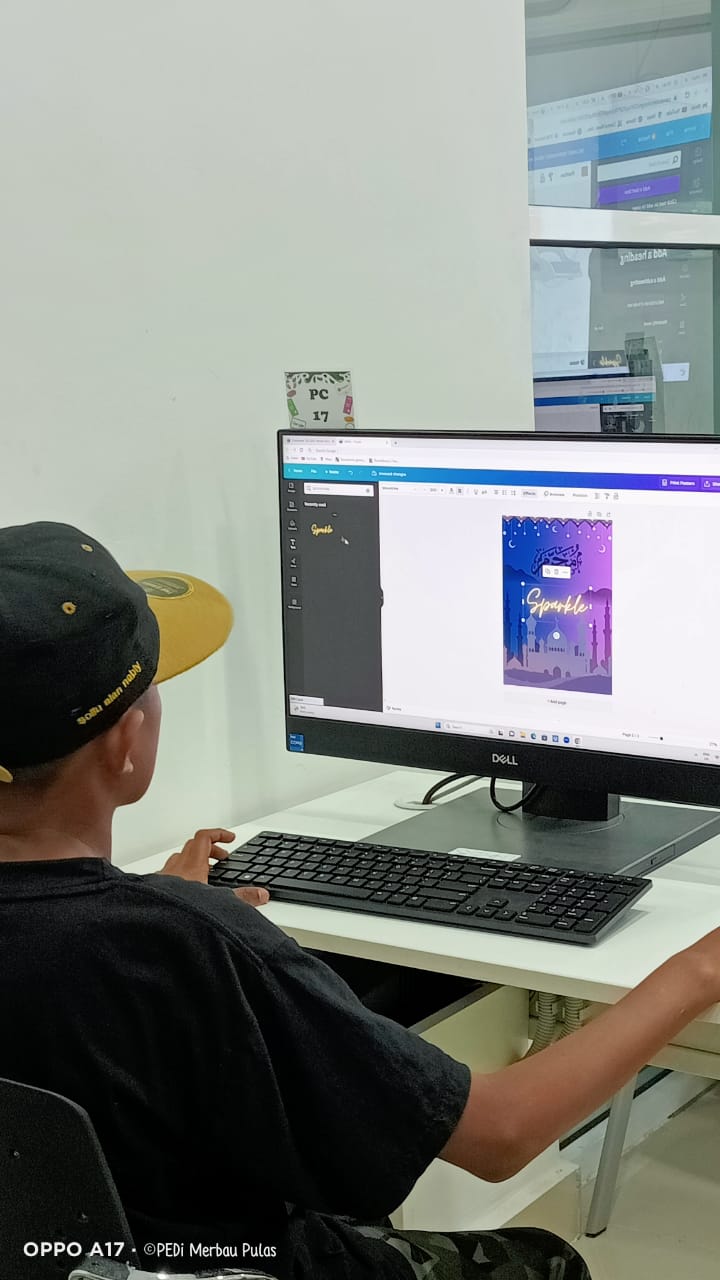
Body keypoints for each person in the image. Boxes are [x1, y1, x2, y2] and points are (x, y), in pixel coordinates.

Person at [1, 525, 719, 1280]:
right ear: (126, 744)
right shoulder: (185, 944)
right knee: (545, 1261)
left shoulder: (155, 936)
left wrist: (162, 907)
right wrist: (698, 970)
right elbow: (501, 1134)